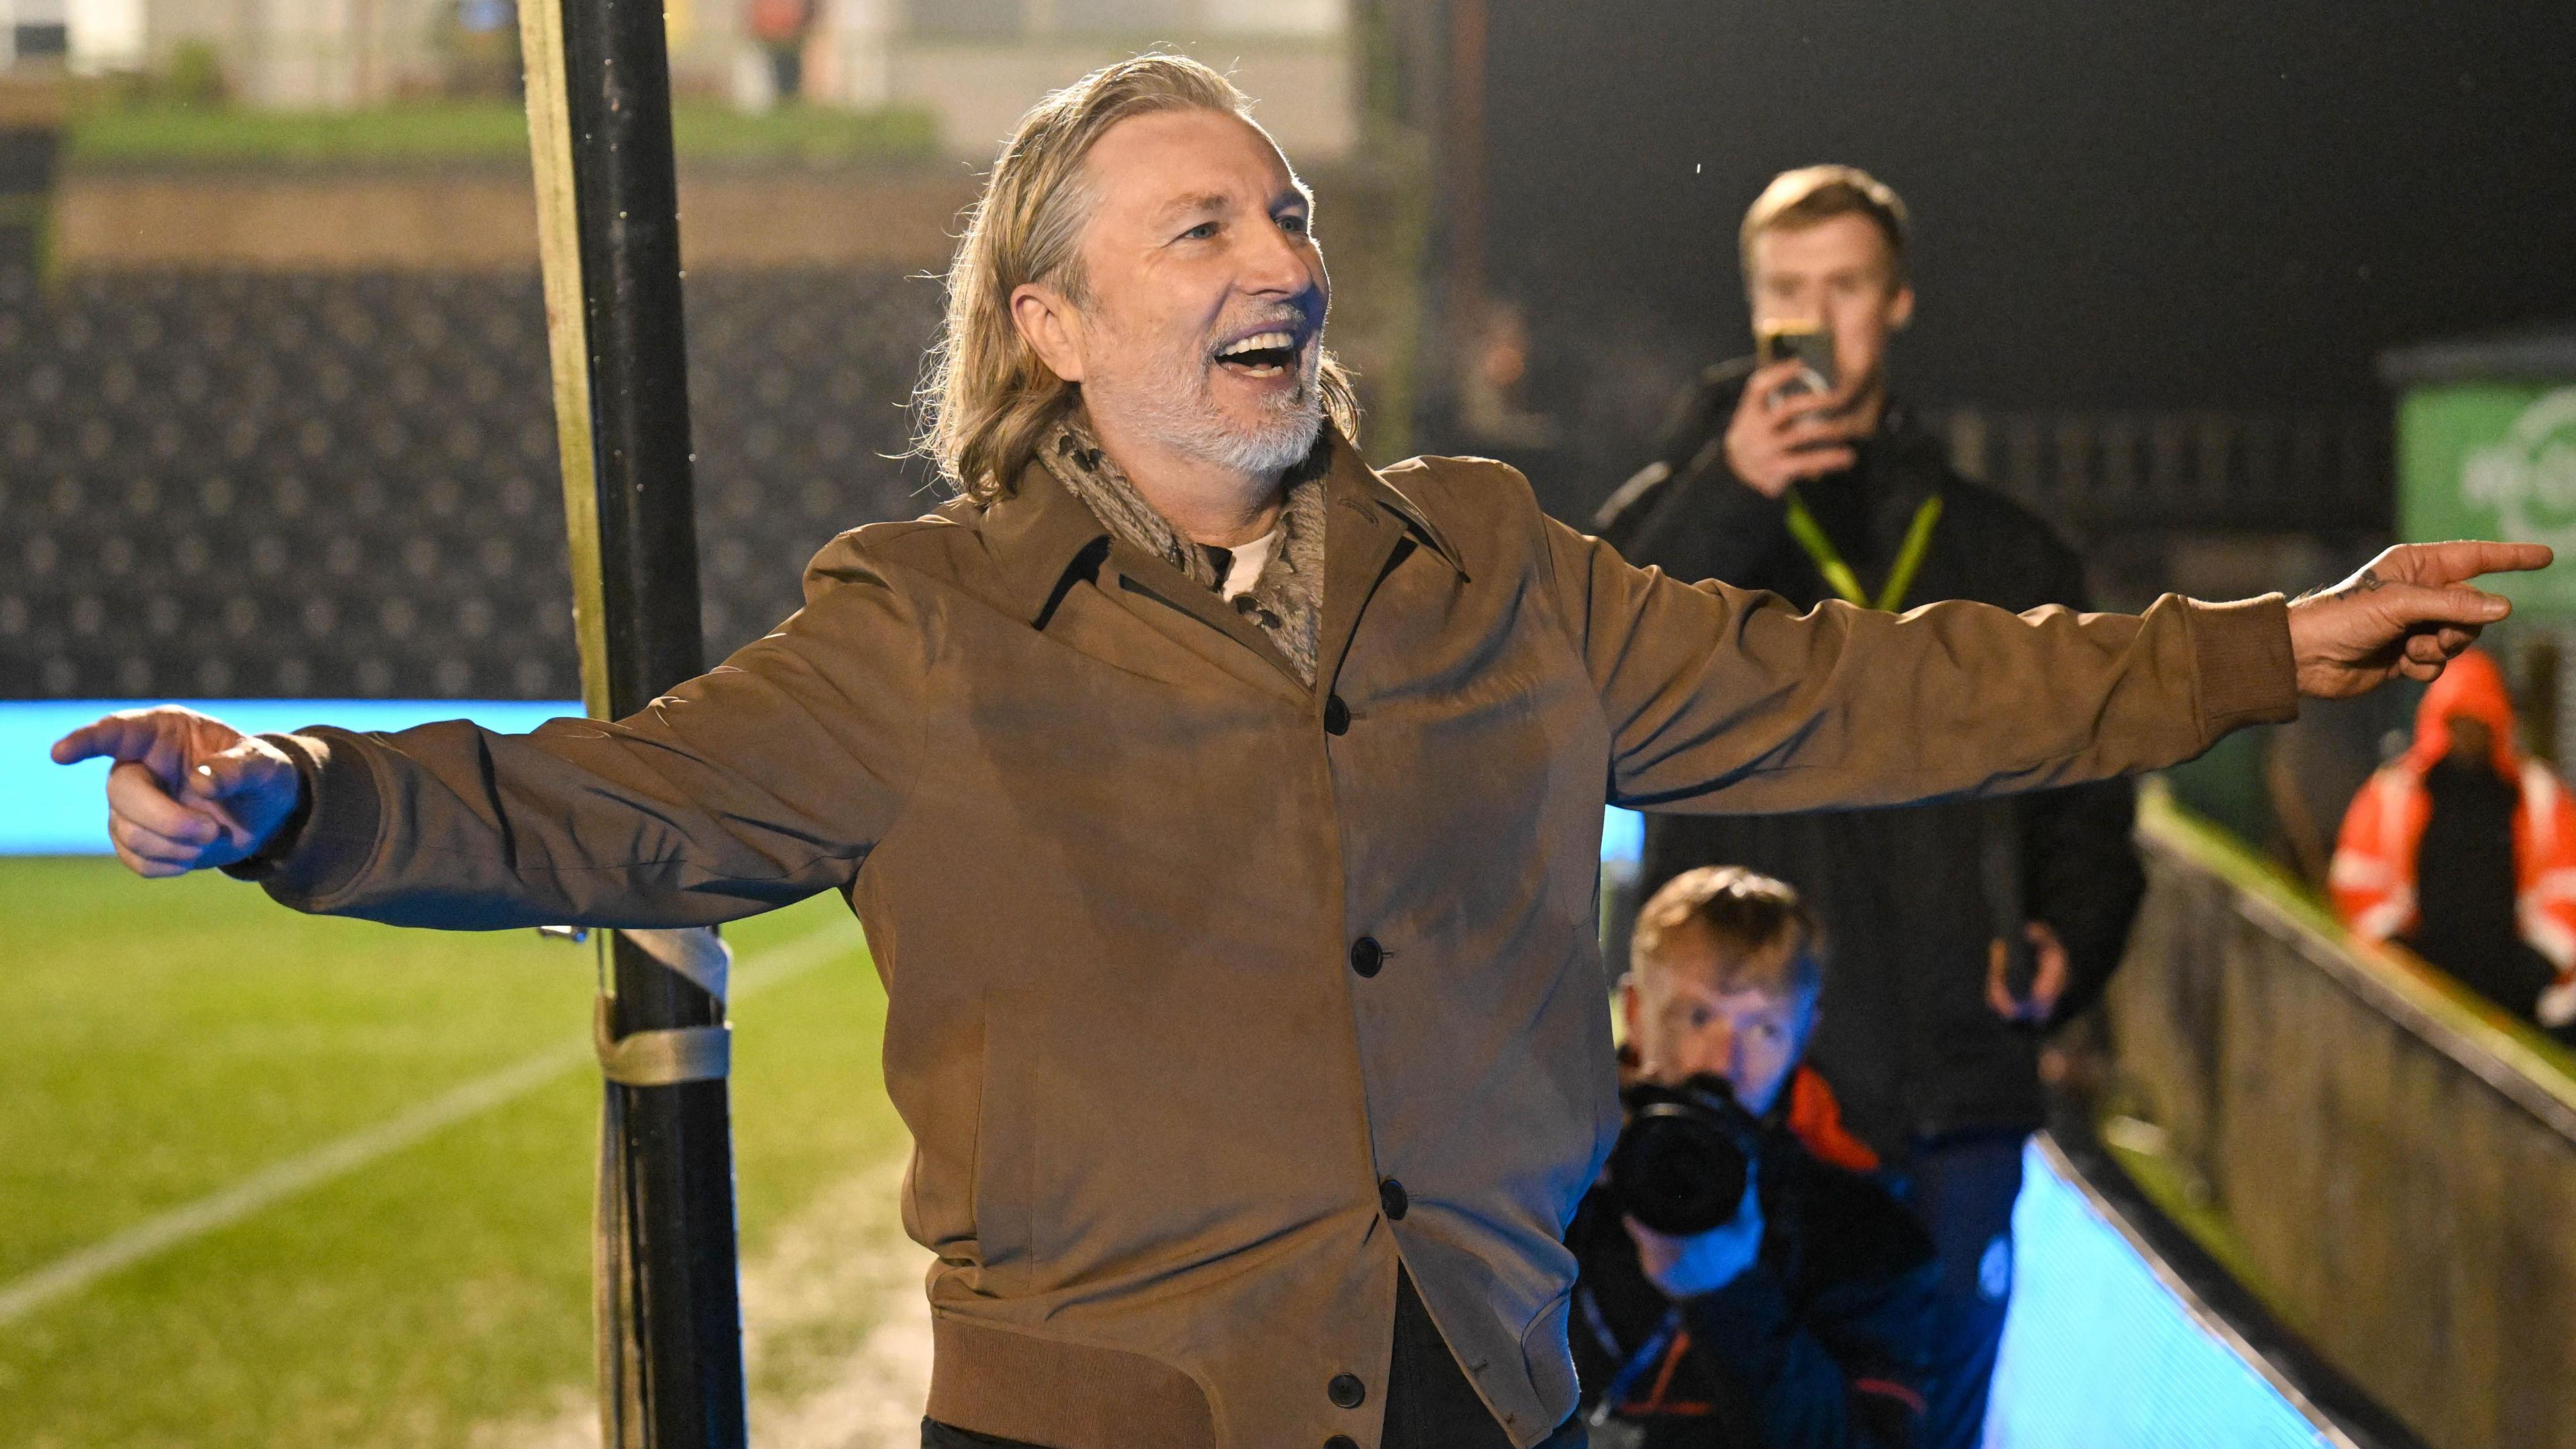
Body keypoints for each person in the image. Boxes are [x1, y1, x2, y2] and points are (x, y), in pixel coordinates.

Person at [47, 55, 2537, 1449]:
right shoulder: (915, 628)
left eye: (1286, 215)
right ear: (1044, 324)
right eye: (1199, 234)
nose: (1281, 264)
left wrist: (2243, 648)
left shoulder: (1497, 564)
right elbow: (611, 803)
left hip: (1489, 1398)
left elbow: (1887, 690)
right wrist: (301, 787)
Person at [1593, 164, 2138, 1428]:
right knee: (1721, 1415)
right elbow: (1598, 679)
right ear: (1752, 305)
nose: (1815, 316)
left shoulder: (1999, 546)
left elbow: (2093, 780)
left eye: (1844, 287)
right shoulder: (1670, 521)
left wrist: (2075, 935)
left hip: (1950, 1089)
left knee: (1922, 1424)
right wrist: (1733, 492)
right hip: (1737, 1086)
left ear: (1895, 304)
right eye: (1787, 289)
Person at [1570, 866, 1971, 1448]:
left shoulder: (1868, 1240)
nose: (1721, 1064)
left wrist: (1730, 1296)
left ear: (1804, 1037)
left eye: (1763, 1030)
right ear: (1634, 1010)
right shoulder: (1538, 1181)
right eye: (1697, 1016)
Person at [2330, 647, 2576, 1027]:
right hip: (2415, 994)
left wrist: (2537, 966)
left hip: (2522, 1004)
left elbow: (2568, 886)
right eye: (2459, 720)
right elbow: (2357, 878)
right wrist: (2394, 952)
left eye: (2480, 721)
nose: (2468, 734)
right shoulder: (2395, 792)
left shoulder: (2540, 796)